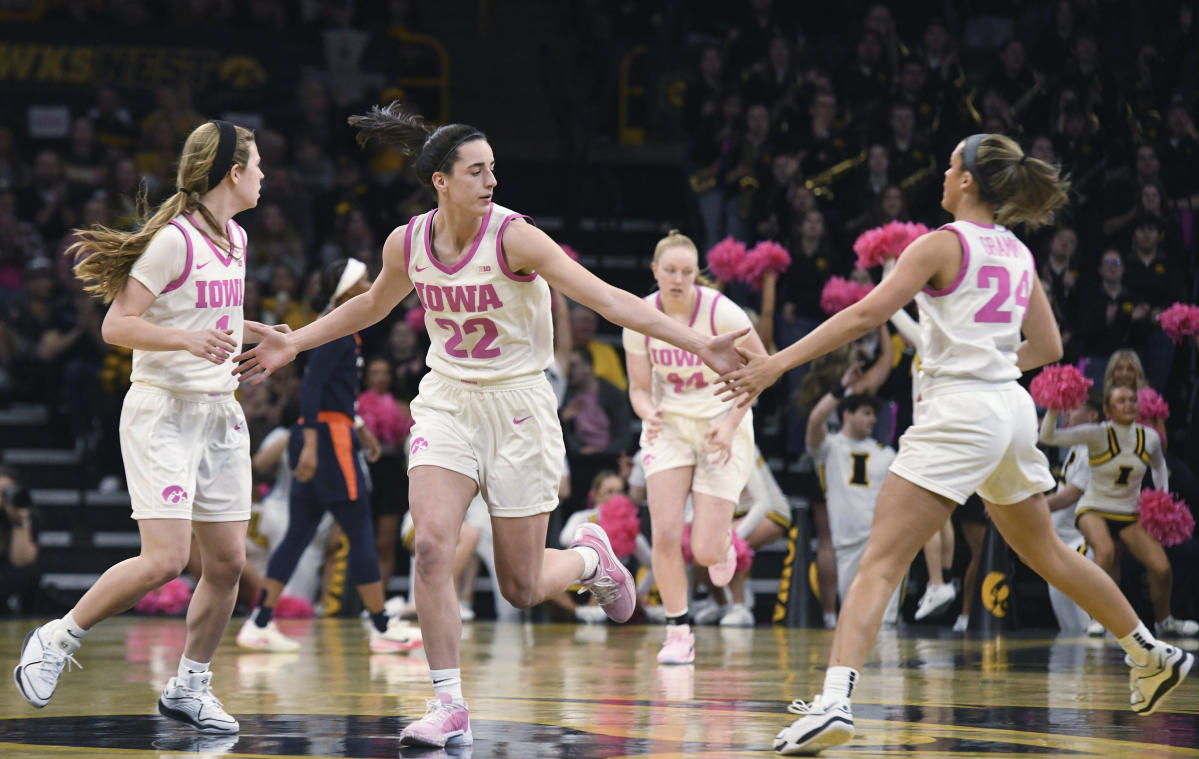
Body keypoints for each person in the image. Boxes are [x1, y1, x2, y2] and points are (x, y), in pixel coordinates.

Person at [231, 102, 746, 749]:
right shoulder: (407, 242)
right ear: (441, 181)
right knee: (430, 545)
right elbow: (368, 303)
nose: (492, 181)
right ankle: (448, 703)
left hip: (518, 407)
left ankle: (592, 559)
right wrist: (293, 342)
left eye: (493, 170)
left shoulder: (515, 237)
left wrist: (697, 343)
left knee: (523, 584)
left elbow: (605, 298)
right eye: (477, 171)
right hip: (447, 401)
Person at [718, 133, 1193, 755]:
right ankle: (1150, 651)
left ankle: (833, 702)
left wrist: (776, 364)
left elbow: (866, 314)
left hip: (963, 410)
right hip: (1011, 410)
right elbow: (1048, 348)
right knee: (1047, 550)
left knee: (882, 561)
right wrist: (989, 362)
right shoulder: (1020, 253)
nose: (943, 175)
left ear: (968, 180)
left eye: (949, 167)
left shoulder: (941, 243)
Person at [15, 120, 265, 735]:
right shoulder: (175, 240)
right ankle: (56, 637)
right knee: (167, 560)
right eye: (257, 165)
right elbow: (117, 325)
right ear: (233, 173)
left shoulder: (235, 236)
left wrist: (262, 334)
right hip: (164, 411)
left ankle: (189, 686)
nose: (264, 177)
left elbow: (218, 314)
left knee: (229, 563)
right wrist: (182, 338)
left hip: (219, 412)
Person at [237, 258, 422, 654]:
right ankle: (381, 626)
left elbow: (334, 393)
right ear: (347, 289)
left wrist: (358, 428)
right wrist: (314, 450)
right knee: (360, 531)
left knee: (299, 533)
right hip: (326, 441)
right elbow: (312, 390)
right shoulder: (336, 329)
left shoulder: (343, 328)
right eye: (364, 279)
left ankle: (259, 622)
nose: (371, 284)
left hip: (331, 433)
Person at [622, 230, 765, 665]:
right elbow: (639, 388)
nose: (679, 279)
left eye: (687, 272)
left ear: (697, 274)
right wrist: (648, 413)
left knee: (703, 550)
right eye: (670, 271)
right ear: (655, 272)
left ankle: (721, 545)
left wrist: (730, 423)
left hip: (721, 422)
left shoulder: (722, 312)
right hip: (670, 426)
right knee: (664, 531)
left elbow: (762, 371)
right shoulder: (642, 315)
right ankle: (677, 630)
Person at [1040, 385, 1198, 638]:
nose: (1129, 405)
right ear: (1107, 409)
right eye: (1121, 401)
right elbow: (1049, 436)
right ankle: (1097, 618)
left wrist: (1162, 497)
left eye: (1132, 400)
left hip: (1128, 514)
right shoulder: (1096, 434)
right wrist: (1054, 407)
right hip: (1093, 509)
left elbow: (1158, 467)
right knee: (1105, 552)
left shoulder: (1150, 437)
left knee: (1161, 568)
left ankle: (1164, 621)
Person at [806, 391, 900, 626]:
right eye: (866, 413)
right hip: (846, 545)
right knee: (853, 618)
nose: (873, 420)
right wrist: (841, 388)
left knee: (885, 621)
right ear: (847, 415)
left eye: (874, 415)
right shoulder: (830, 448)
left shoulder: (886, 453)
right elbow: (815, 420)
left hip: (882, 542)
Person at [1043, 395, 1103, 635]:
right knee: (1070, 630)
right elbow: (1045, 436)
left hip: (1080, 546)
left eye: (1073, 408)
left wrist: (1025, 509)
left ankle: (1099, 669)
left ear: (1092, 416)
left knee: (1086, 630)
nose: (1066, 412)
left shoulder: (1095, 447)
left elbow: (1069, 496)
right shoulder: (1078, 444)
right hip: (1062, 545)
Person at [0, 466, 39, 614]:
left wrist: (20, 521)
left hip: (8, 580)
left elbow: (23, 560)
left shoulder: (25, 516)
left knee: (30, 574)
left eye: (7, 491)